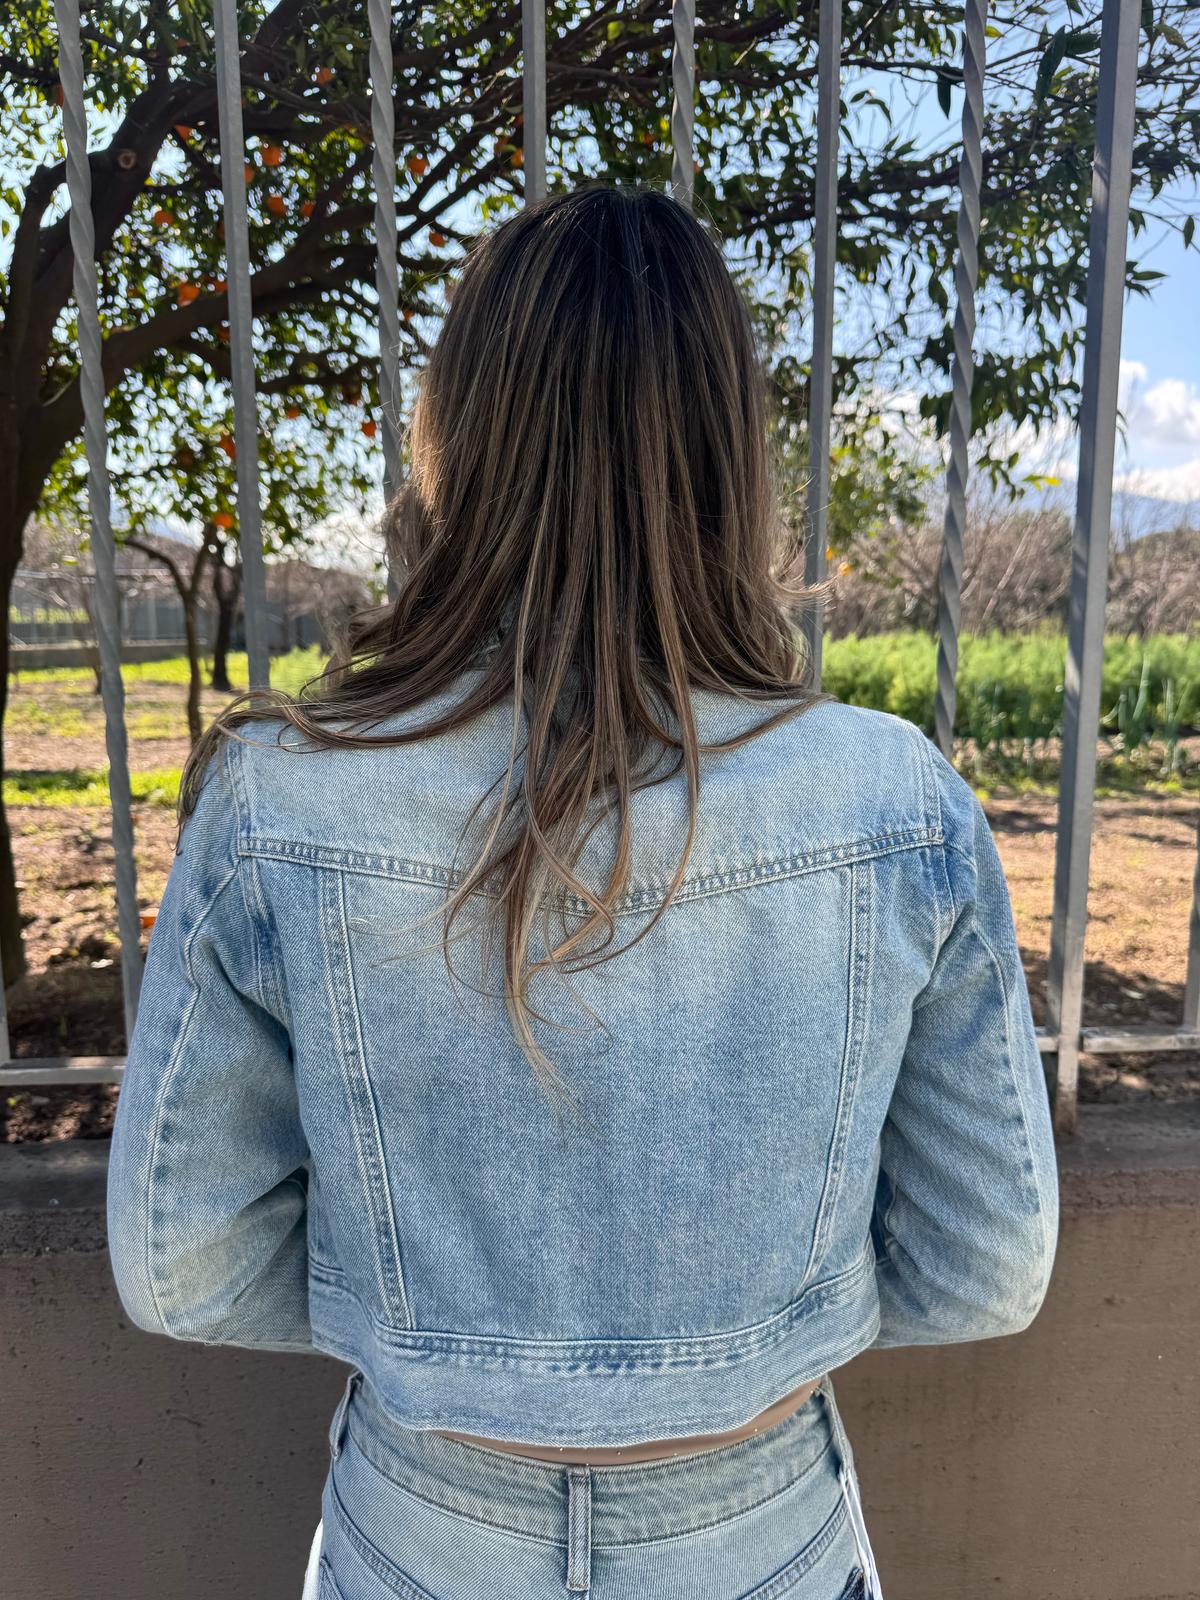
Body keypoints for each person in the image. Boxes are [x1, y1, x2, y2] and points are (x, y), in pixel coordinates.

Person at [107, 185, 1059, 1600]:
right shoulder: (893, 799)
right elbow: (984, 1267)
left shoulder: (278, 801)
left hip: (418, 1528)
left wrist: (430, 1325)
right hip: (763, 1527)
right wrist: (756, 1330)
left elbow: (182, 1266)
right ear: (729, 456)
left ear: (452, 444)